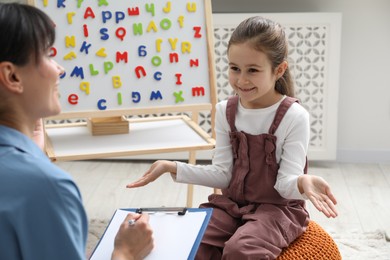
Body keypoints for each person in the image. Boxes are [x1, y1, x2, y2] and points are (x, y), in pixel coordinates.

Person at [127, 16, 338, 259]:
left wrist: (303, 182)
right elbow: (223, 174)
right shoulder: (225, 111)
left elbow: (284, 185)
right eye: (234, 68)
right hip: (230, 206)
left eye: (253, 70)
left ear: (279, 70)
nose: (241, 80)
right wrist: (170, 167)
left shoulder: (294, 116)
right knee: (192, 241)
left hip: (277, 209)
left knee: (242, 249)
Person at [0, 3, 153, 260]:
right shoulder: (47, 188)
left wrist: (30, 155)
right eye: (48, 55)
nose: (59, 68)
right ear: (12, 76)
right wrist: (125, 253)